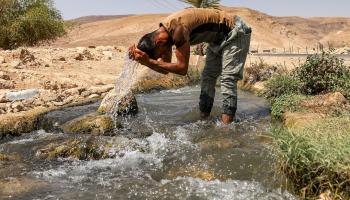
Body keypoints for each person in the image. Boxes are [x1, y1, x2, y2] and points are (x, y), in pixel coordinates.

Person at [129, 8, 251, 124]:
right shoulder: (165, 35)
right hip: (217, 39)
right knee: (207, 78)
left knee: (228, 80)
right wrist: (146, 61)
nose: (161, 56)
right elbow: (165, 69)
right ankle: (204, 121)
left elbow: (182, 69)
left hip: (235, 31)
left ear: (159, 42)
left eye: (159, 54)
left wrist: (149, 62)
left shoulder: (178, 30)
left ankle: (226, 129)